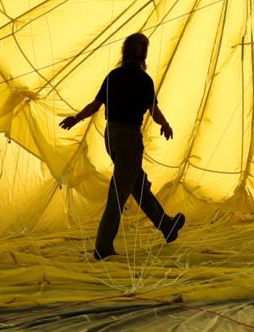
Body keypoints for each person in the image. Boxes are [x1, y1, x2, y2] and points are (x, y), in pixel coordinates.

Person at [60, 32, 187, 260]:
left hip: (112, 137)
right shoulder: (144, 80)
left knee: (137, 186)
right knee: (118, 195)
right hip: (129, 139)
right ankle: (103, 247)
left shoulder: (114, 76)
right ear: (144, 54)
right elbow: (153, 111)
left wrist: (76, 119)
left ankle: (167, 226)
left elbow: (95, 105)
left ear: (124, 51)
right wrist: (166, 124)